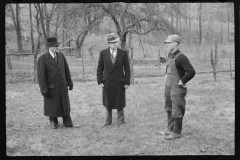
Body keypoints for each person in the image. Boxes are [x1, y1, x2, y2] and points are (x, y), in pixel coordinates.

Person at [37, 37, 79, 129]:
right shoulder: (43, 58)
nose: (57, 47)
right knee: (52, 106)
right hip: (51, 88)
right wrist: (43, 89)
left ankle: (68, 123)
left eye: (57, 45)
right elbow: (41, 77)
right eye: (55, 46)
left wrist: (70, 82)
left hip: (63, 86)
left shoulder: (61, 56)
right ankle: (53, 122)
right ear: (50, 47)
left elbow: (66, 70)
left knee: (65, 105)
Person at [161, 35, 195, 140]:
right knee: (169, 108)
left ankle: (176, 132)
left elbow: (191, 71)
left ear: (175, 43)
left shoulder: (181, 57)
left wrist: (182, 81)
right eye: (166, 43)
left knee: (177, 109)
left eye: (169, 43)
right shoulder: (170, 55)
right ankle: (170, 129)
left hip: (177, 89)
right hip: (168, 87)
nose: (166, 45)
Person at [97, 33, 130, 127]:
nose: (116, 44)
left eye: (116, 42)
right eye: (114, 42)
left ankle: (121, 122)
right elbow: (100, 68)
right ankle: (108, 122)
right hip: (107, 82)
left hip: (120, 82)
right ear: (109, 44)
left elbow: (127, 68)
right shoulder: (103, 53)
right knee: (108, 102)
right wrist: (99, 81)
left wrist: (127, 82)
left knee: (120, 102)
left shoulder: (123, 53)